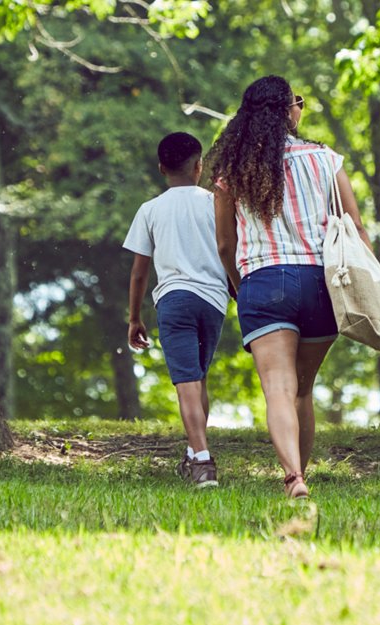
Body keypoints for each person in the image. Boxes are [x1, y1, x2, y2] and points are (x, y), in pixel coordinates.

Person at [208, 76, 360, 499]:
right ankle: (300, 472)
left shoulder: (231, 171)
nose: (301, 108)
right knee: (303, 389)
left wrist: (240, 286)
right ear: (287, 111)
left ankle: (294, 477)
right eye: (298, 101)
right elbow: (356, 227)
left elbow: (225, 243)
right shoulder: (325, 159)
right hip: (319, 284)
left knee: (278, 387)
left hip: (263, 281)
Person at [123, 132, 229, 488]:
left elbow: (140, 272)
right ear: (199, 166)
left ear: (161, 168)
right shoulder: (216, 202)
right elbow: (229, 247)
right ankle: (193, 451)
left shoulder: (150, 210)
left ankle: (202, 463)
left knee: (187, 382)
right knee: (198, 378)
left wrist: (135, 317)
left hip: (173, 300)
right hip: (214, 302)